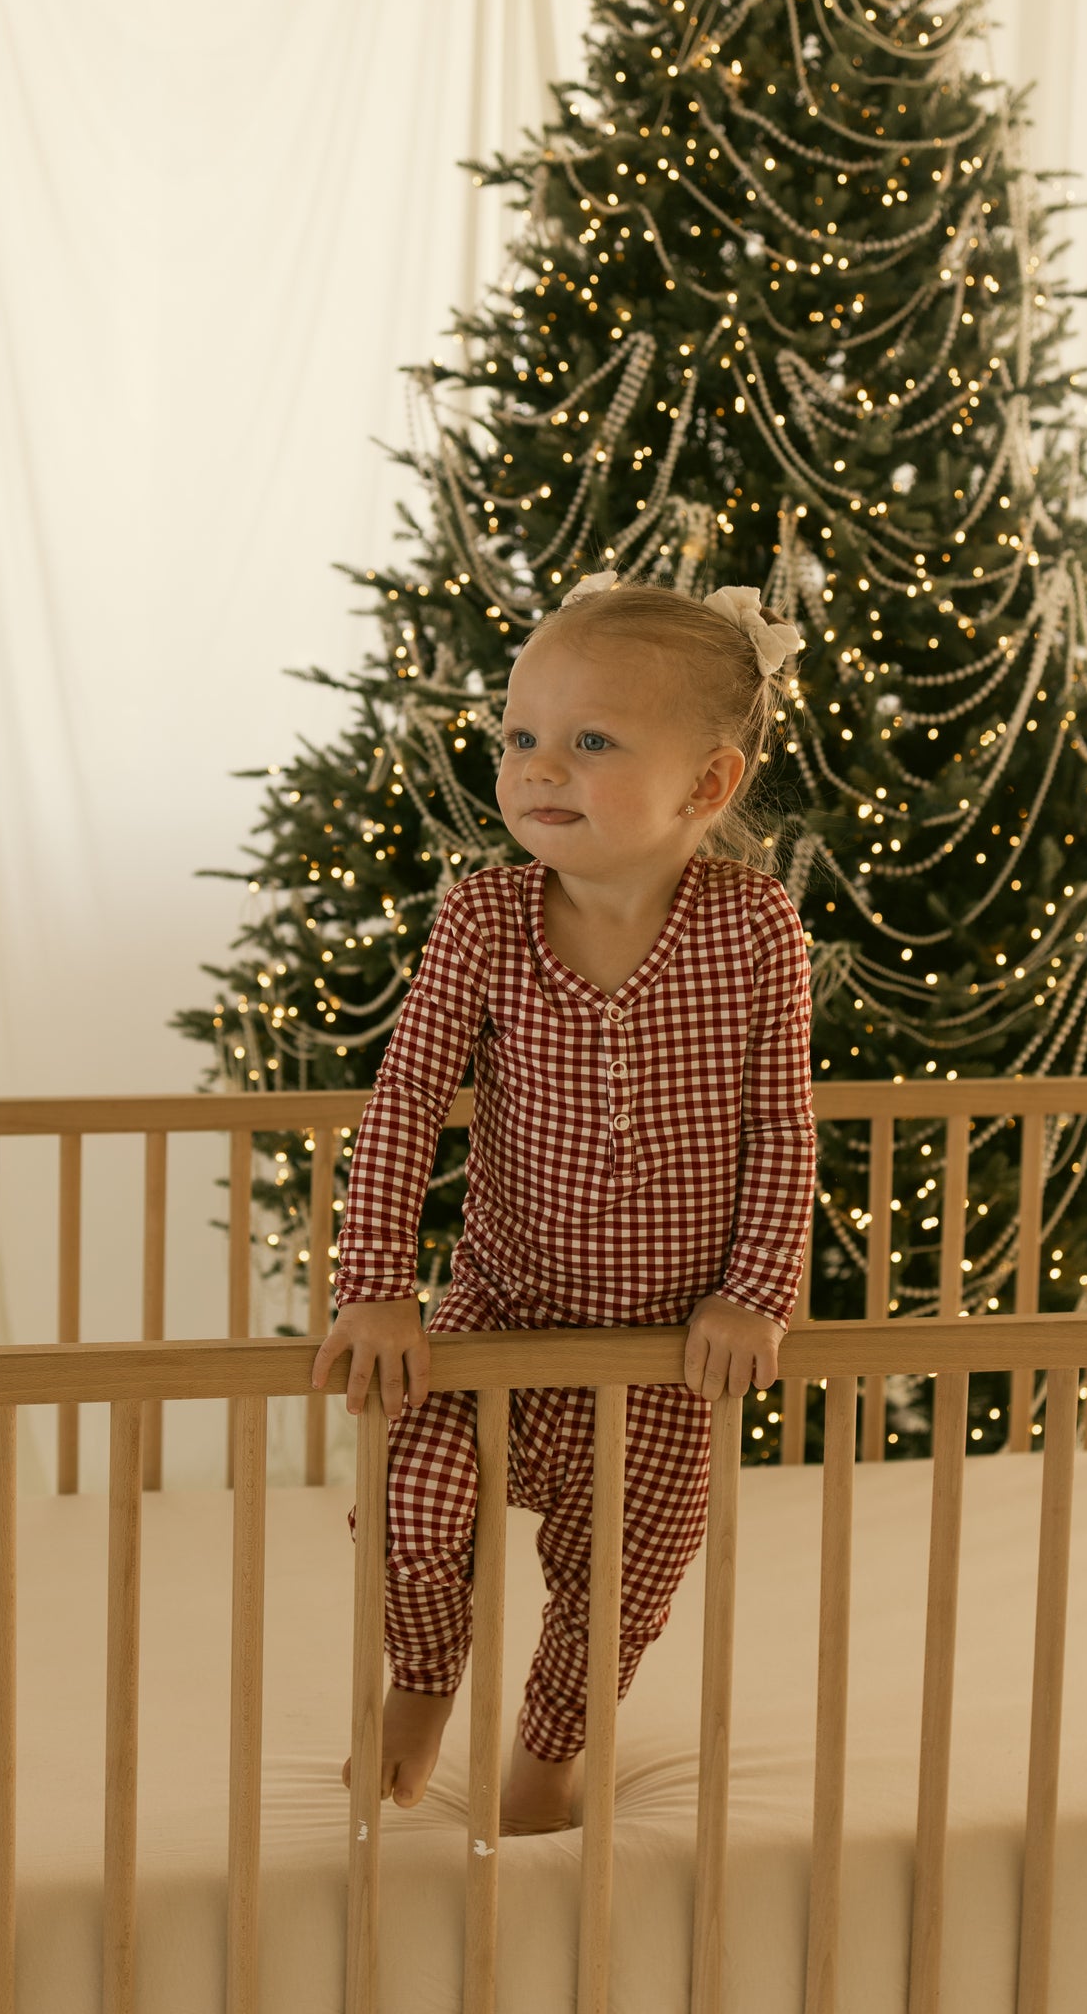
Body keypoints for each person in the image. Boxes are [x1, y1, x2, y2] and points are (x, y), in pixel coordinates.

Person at [311, 570, 817, 1835]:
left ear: (707, 785)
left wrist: (753, 1293)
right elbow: (405, 1095)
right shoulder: (485, 916)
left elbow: (781, 1127)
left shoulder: (753, 927)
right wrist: (377, 1286)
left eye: (590, 741)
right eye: (519, 736)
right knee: (415, 1503)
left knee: (622, 1573)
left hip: (663, 1333)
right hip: (499, 1301)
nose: (538, 766)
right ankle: (423, 1678)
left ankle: (552, 1743)